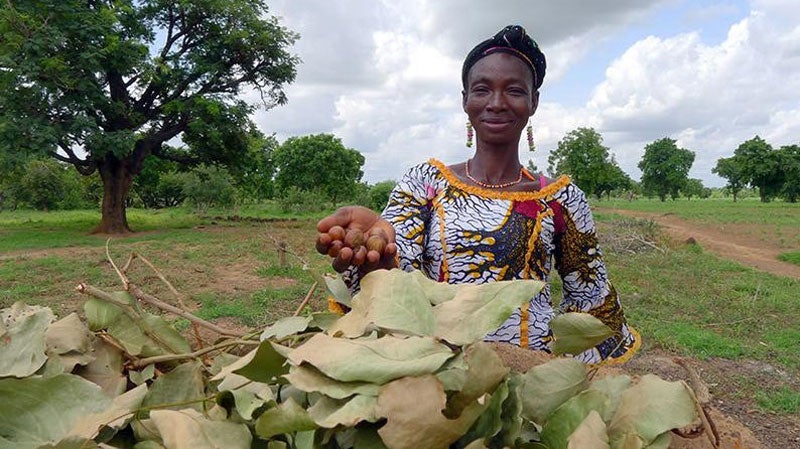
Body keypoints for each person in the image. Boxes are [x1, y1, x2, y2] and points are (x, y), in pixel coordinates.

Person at [315, 25, 639, 365]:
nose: (496, 103)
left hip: (530, 373)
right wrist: (375, 257)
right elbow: (396, 264)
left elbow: (590, 297)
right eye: (482, 89)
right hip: (437, 368)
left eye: (514, 90)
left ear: (534, 102)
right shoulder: (425, 183)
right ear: (465, 100)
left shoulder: (560, 198)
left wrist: (570, 378)